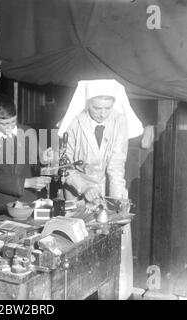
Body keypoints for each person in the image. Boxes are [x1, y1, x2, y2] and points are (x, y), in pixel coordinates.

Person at [57, 79, 144, 300]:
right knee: (80, 249)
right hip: (76, 195)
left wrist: (117, 202)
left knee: (114, 241)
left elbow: (116, 164)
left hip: (107, 191)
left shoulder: (119, 120)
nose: (102, 113)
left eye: (107, 108)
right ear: (87, 103)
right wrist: (84, 187)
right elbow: (63, 166)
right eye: (97, 108)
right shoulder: (74, 123)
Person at [0, 93, 51, 217]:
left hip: (27, 200)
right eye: (5, 124)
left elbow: (35, 164)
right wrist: (26, 183)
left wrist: (43, 159)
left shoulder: (28, 132)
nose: (10, 127)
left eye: (13, 121)